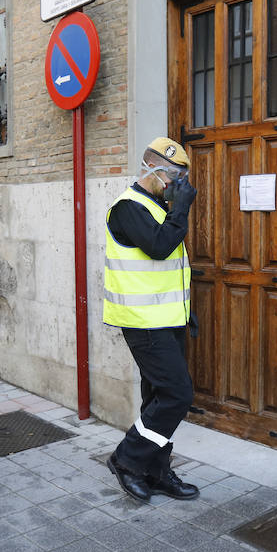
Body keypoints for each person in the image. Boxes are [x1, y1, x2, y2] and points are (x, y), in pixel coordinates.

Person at [103, 136, 201, 503]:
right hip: (142, 322)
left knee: (157, 397)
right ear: (153, 169)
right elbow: (159, 248)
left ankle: (156, 470)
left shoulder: (157, 206)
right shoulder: (128, 208)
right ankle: (127, 460)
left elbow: (169, 271)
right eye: (173, 175)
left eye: (182, 177)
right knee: (178, 394)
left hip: (167, 320)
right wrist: (183, 209)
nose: (177, 183)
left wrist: (185, 314)